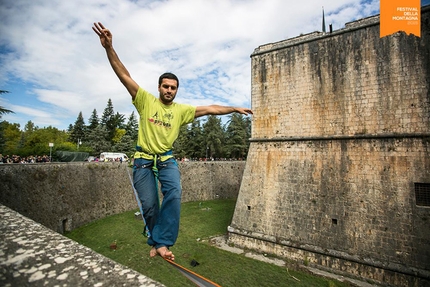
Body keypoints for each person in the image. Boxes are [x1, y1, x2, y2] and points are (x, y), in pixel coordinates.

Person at [92, 22, 253, 261]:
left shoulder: (181, 111)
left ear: (176, 90)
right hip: (143, 162)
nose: (169, 90)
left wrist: (233, 108)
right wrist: (109, 48)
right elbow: (123, 75)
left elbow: (210, 109)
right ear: (159, 87)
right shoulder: (145, 100)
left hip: (166, 161)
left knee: (174, 194)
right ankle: (156, 243)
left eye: (173, 88)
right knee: (149, 206)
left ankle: (163, 242)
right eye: (166, 86)